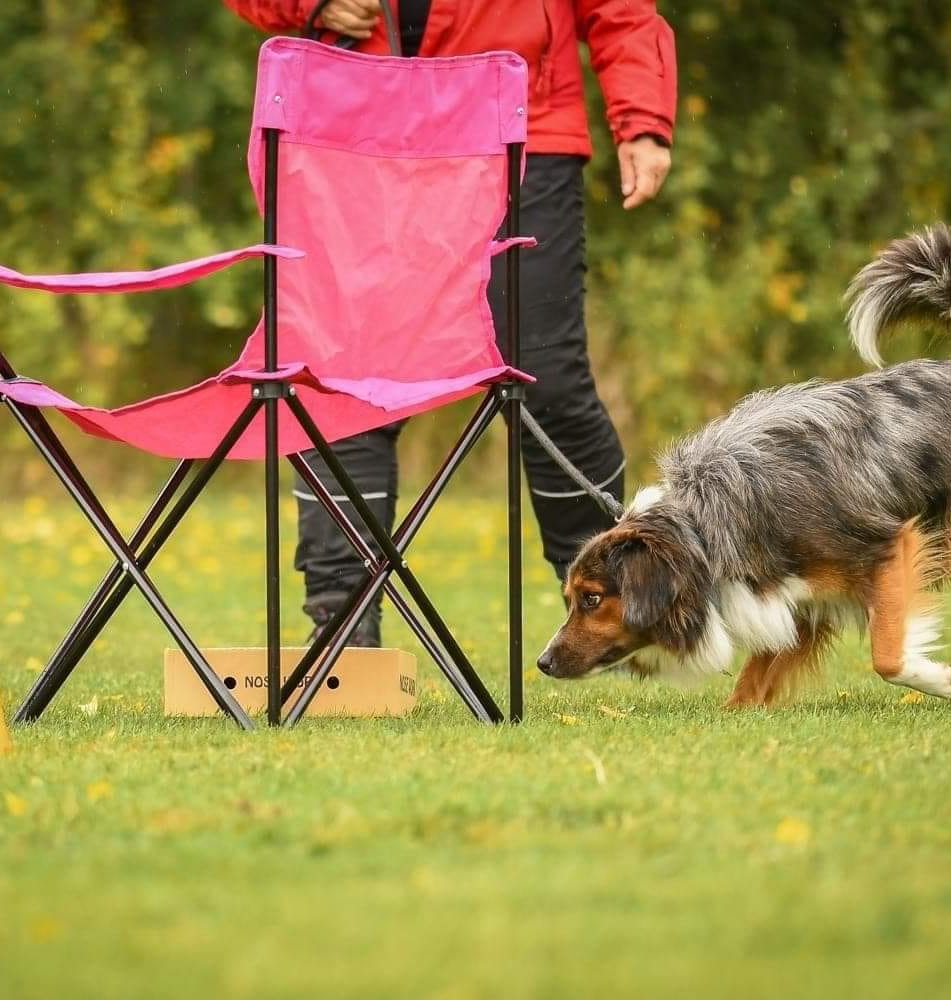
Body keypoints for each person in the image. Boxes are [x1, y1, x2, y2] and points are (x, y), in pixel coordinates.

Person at [224, 0, 677, 644]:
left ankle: (615, 608)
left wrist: (642, 120)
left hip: (521, 128)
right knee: (345, 379)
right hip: (359, 129)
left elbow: (622, 10)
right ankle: (344, 625)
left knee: (546, 376)